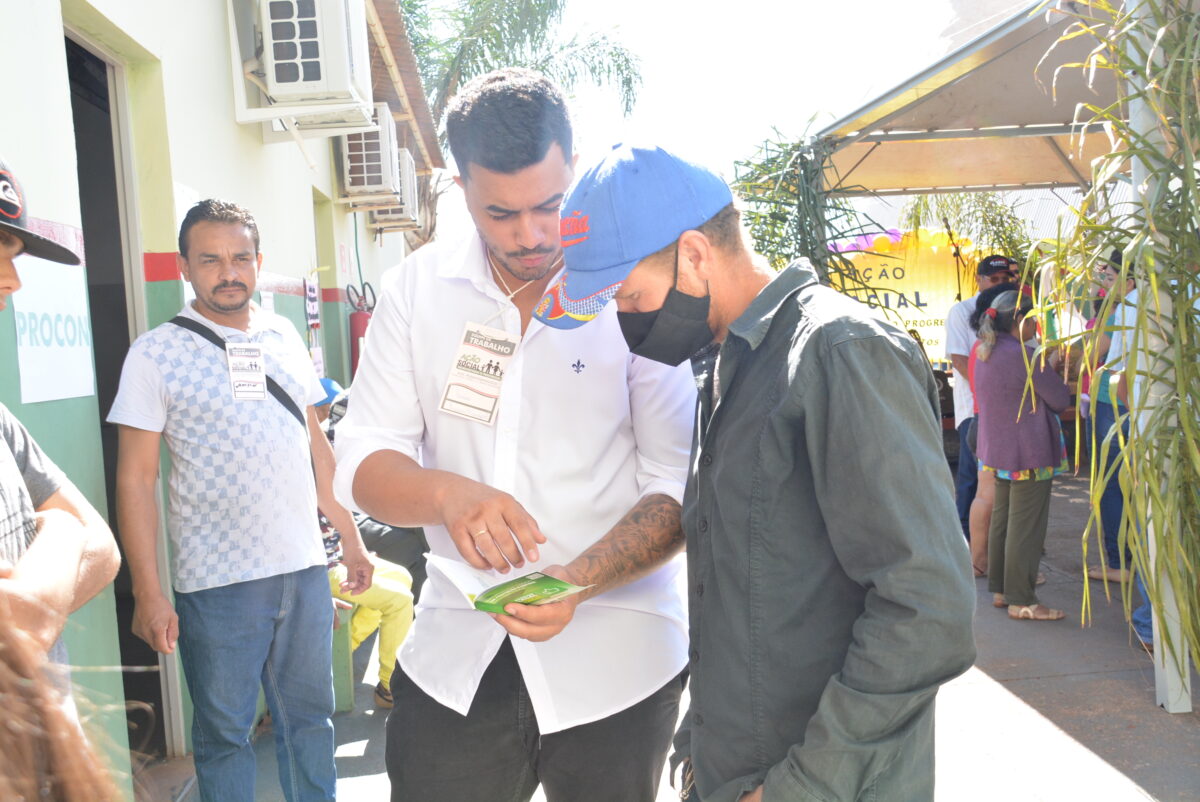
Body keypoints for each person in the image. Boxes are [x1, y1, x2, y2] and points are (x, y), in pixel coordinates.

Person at [534, 144, 976, 802]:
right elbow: (742, 594)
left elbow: (928, 606)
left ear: (694, 254)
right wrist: (697, 751)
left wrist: (801, 786)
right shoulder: (728, 370)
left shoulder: (838, 351)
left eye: (630, 296)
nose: (626, 320)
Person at [333, 70, 696, 802]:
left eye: (550, 207)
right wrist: (446, 495)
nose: (531, 236)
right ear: (459, 184)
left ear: (574, 165)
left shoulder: (634, 285)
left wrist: (578, 579)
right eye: (500, 214)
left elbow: (677, 484)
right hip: (455, 652)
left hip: (618, 655)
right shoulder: (416, 290)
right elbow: (363, 461)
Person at [109, 199, 374, 802]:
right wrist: (149, 592)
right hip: (218, 584)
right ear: (183, 266)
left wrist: (349, 538)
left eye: (240, 258)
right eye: (210, 260)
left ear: (259, 262)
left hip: (304, 570)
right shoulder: (154, 354)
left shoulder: (282, 335)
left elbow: (316, 448)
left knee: (310, 722)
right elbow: (136, 480)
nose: (228, 272)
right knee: (225, 736)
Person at [0, 155, 122, 664]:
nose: (13, 281)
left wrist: (63, 538)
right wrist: (61, 536)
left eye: (13, 256)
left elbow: (102, 549)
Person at [315, 379, 414, 709]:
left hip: (335, 556)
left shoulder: (337, 452)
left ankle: (344, 652)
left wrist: (354, 553)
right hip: (318, 567)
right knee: (398, 600)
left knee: (401, 576)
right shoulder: (322, 457)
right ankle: (388, 685)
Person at [973, 289, 1070, 621]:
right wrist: (1052, 365)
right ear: (1019, 319)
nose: (1036, 329)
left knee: (1005, 521)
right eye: (1033, 321)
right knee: (1025, 527)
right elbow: (1059, 399)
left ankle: (1003, 591)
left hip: (998, 451)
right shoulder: (1025, 356)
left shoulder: (986, 351)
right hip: (1028, 452)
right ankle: (1022, 600)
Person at [946, 254, 1019, 563]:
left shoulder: (1015, 310)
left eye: (1006, 279)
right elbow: (959, 359)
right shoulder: (962, 311)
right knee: (972, 480)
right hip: (974, 409)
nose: (1000, 284)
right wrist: (987, 395)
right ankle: (965, 547)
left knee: (1004, 482)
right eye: (994, 279)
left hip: (1008, 412)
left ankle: (997, 547)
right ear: (979, 280)